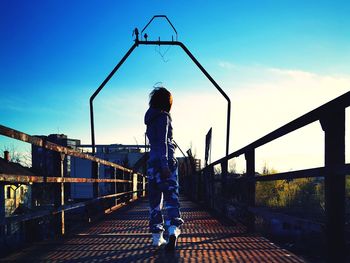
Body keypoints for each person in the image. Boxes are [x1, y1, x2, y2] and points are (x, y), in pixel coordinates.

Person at [144, 87, 184, 250]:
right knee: (171, 198)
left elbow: (155, 143)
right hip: (165, 163)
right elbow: (163, 142)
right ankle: (173, 230)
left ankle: (156, 237)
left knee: (155, 202)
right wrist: (165, 165)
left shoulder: (150, 118)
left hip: (152, 165)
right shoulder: (163, 117)